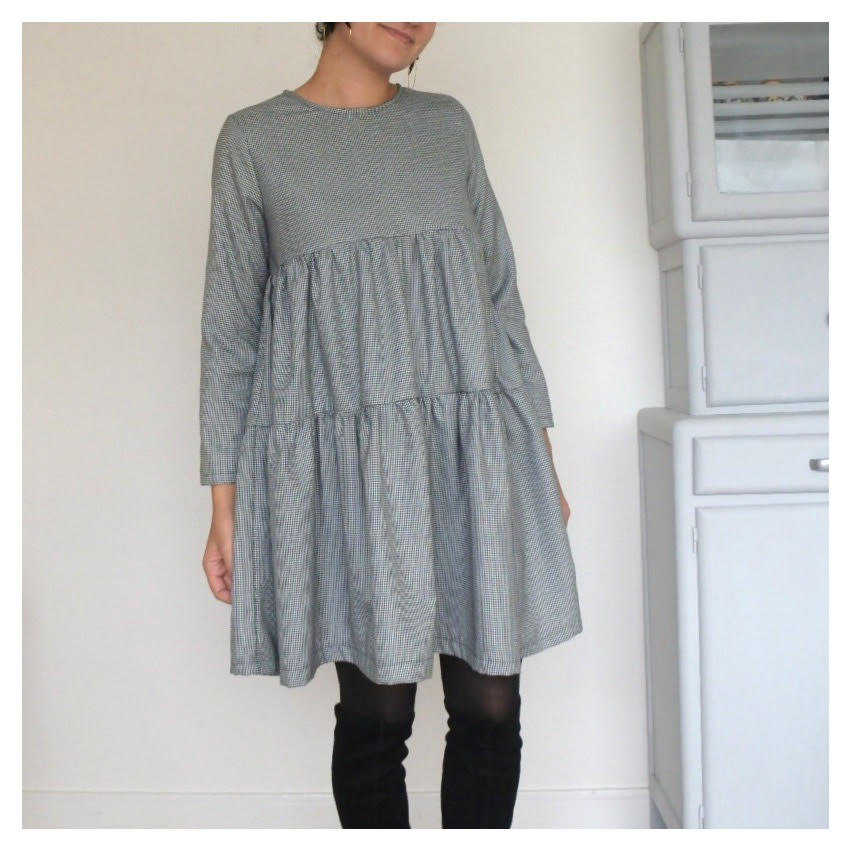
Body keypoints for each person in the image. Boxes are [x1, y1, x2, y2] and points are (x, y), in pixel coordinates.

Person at [198, 22, 583, 829]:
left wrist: (539, 460)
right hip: (351, 471)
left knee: (489, 705)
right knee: (378, 716)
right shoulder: (254, 141)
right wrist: (224, 506)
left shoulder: (445, 124)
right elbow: (230, 333)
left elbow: (500, 299)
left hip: (472, 453)